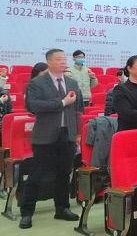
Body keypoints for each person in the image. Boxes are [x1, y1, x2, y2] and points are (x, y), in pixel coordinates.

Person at [19, 49, 84, 229]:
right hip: (45, 137)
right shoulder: (37, 83)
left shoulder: (71, 82)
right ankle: (26, 213)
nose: (63, 62)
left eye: (64, 59)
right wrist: (62, 103)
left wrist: (78, 133)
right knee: (37, 175)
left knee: (64, 173)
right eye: (59, 59)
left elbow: (78, 110)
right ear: (49, 62)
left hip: (67, 135)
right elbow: (33, 106)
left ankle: (62, 208)